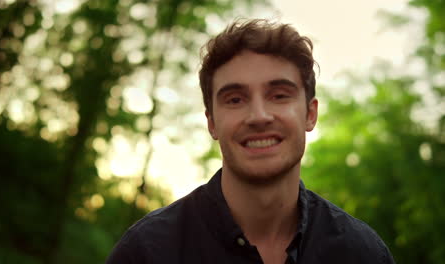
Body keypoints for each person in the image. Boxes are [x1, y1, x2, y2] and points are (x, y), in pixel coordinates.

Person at [106, 19, 395, 264]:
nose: (258, 116)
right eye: (235, 99)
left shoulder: (362, 253)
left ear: (310, 114)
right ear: (212, 122)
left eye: (279, 95)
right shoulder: (146, 252)